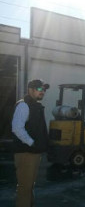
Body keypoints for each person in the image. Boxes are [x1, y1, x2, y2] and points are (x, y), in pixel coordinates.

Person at [12, 79, 50, 207]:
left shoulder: (35, 105)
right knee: (24, 188)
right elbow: (17, 128)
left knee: (29, 187)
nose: (42, 92)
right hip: (26, 153)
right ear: (31, 89)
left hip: (34, 152)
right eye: (40, 89)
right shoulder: (24, 105)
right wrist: (31, 143)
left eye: (44, 89)